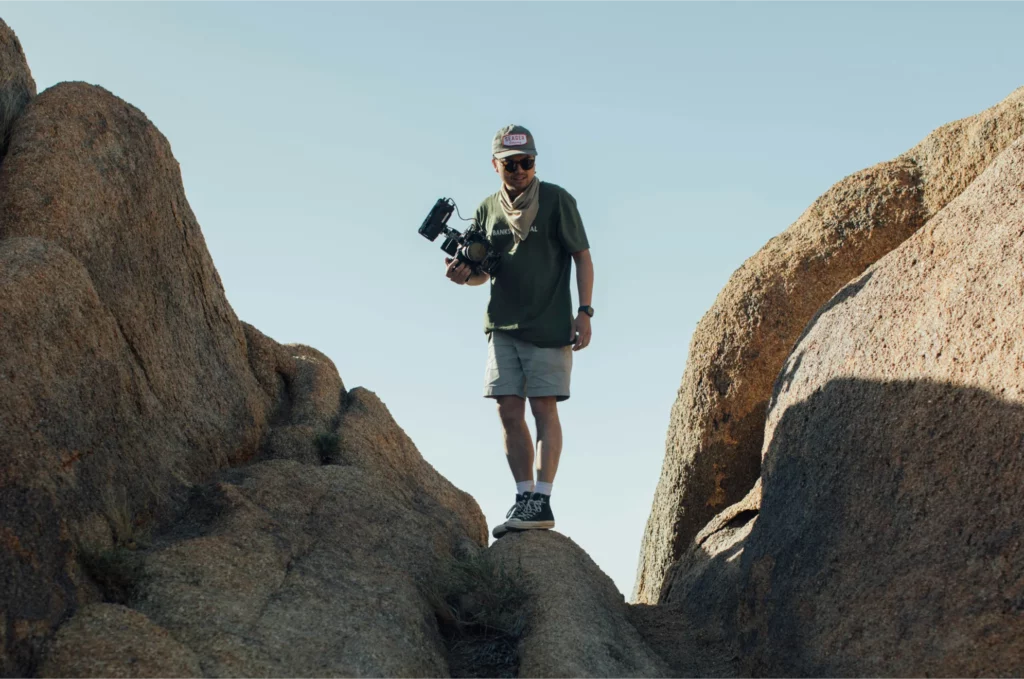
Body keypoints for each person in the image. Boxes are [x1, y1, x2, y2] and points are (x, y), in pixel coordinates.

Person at [445, 124, 594, 538]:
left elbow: (582, 257)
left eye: (527, 162)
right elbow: (481, 274)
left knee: (543, 407)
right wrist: (462, 277)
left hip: (548, 324)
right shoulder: (486, 209)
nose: (520, 170)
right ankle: (524, 494)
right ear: (496, 165)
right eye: (511, 164)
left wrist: (585, 312)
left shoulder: (557, 201)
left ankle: (542, 499)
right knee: (507, 408)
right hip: (502, 326)